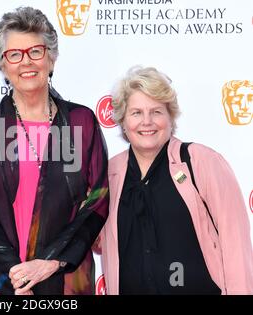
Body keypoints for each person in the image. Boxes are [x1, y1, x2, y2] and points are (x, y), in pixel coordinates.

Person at [0, 7, 109, 295]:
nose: (26, 62)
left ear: (51, 58)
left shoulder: (81, 122)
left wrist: (50, 262)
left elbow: (97, 200)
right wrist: (14, 275)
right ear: (2, 65)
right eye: (14, 54)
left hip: (66, 278)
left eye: (36, 51)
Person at [99, 66, 253, 294]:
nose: (147, 121)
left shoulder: (201, 162)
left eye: (157, 112)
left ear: (171, 117)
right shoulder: (109, 173)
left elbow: (235, 241)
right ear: (122, 121)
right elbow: (93, 238)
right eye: (137, 113)